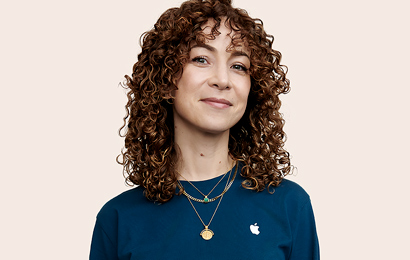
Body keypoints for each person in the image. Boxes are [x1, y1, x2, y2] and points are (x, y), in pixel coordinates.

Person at [89, 0, 319, 259]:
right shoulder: (119, 218)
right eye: (201, 59)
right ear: (166, 81)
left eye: (238, 66)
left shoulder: (289, 205)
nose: (222, 79)